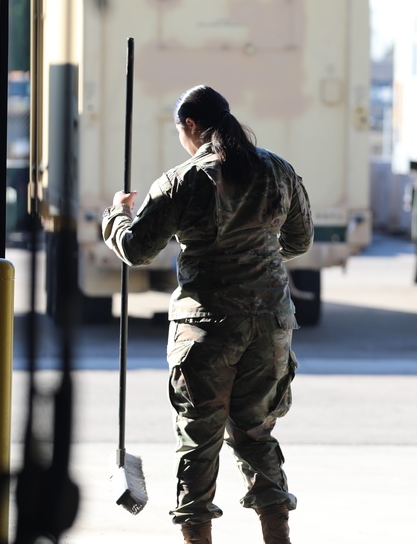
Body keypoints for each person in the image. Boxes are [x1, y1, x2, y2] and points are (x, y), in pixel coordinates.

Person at [102, 85, 313, 544]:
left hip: (206, 330)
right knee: (256, 434)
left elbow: (137, 250)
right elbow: (299, 242)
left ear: (191, 127)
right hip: (270, 328)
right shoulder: (278, 171)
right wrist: (257, 253)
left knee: (199, 443)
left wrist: (116, 217)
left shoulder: (184, 180)